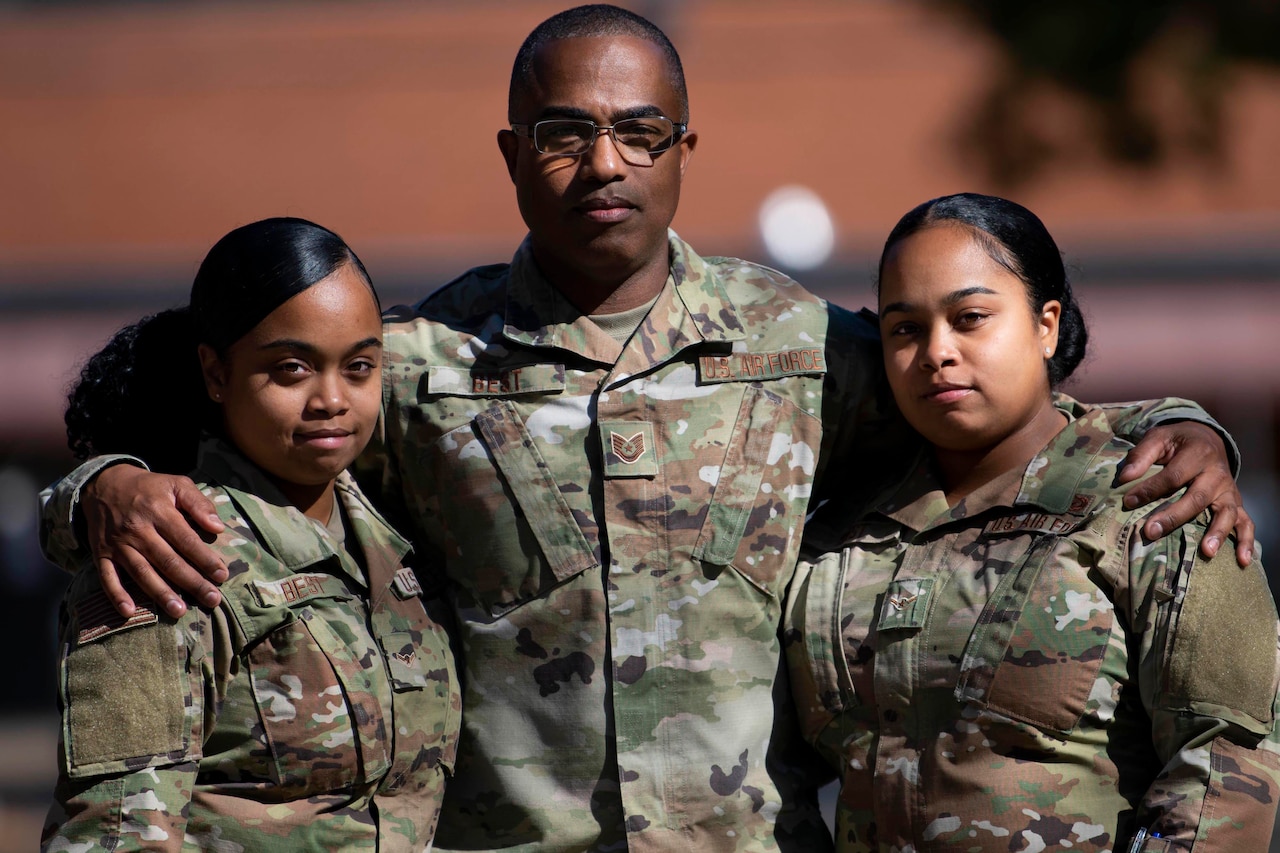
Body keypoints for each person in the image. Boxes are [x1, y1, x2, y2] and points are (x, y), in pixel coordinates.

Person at [39, 7, 1254, 852]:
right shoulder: (417, 367)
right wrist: (99, 486)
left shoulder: (801, 348)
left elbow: (1000, 408)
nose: (602, 163)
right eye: (565, 135)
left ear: (685, 147)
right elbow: (219, 430)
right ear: (514, 157)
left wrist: (1188, 427)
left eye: (639, 131)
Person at [785, 193, 1280, 852]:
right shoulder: (835, 536)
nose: (936, 352)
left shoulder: (1155, 502)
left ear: (1046, 324)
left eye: (970, 318)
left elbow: (1223, 767)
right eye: (905, 328)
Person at [41, 218, 460, 851]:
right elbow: (115, 834)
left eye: (360, 366)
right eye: (291, 369)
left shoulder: (392, 530)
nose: (332, 399)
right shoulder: (170, 554)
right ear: (216, 373)